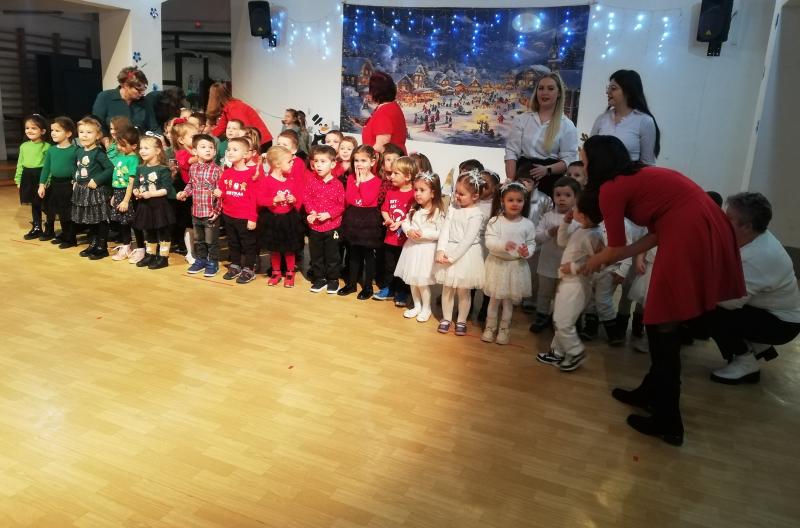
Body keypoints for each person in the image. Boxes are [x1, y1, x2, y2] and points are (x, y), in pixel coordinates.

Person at [581, 135, 745, 446]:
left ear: (596, 162)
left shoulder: (611, 188)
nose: (583, 164)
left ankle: (668, 420)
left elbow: (615, 247)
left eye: (584, 159)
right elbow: (652, 235)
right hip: (694, 226)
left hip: (688, 231)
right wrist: (608, 258)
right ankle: (651, 392)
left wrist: (595, 261)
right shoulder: (637, 176)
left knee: (663, 322)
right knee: (661, 321)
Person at [707, 192, 800, 384]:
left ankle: (745, 362)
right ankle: (757, 346)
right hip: (768, 310)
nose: (722, 220)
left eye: (729, 218)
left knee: (708, 310)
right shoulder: (754, 235)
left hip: (782, 325)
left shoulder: (760, 257)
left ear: (747, 226)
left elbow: (729, 302)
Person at [537, 191, 605, 371]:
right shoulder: (582, 229)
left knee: (563, 321)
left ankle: (575, 352)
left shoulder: (594, 235)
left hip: (577, 284)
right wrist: (565, 223)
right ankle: (557, 352)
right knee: (560, 317)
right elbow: (562, 242)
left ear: (583, 214)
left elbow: (599, 264)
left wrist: (574, 268)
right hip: (568, 281)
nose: (572, 209)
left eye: (575, 207)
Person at [504, 72, 578, 197]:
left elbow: (569, 160)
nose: (544, 93)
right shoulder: (522, 119)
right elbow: (511, 152)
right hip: (523, 178)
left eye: (550, 88)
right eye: (541, 88)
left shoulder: (567, 125)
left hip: (550, 182)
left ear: (559, 93)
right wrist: (510, 182)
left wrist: (547, 170)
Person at [481, 182, 536, 345]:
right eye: (510, 200)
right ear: (502, 201)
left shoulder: (527, 224)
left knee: (508, 302)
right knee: (494, 300)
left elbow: (531, 243)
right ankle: (490, 327)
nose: (515, 204)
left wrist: (527, 252)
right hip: (497, 265)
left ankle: (504, 329)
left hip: (515, 267)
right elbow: (490, 242)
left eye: (519, 200)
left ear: (524, 202)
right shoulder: (495, 221)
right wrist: (503, 245)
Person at [435, 172, 487, 336]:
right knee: (447, 289)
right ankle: (446, 318)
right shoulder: (452, 209)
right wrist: (441, 250)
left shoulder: (476, 214)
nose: (457, 196)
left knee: (463, 291)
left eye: (461, 194)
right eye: (456, 192)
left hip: (466, 255)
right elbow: (445, 231)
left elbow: (467, 240)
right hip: (449, 250)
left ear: (475, 196)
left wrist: (452, 257)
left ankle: (462, 320)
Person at [394, 171, 446, 322]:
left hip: (426, 251)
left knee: (422, 283)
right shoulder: (414, 208)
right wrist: (408, 230)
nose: (417, 193)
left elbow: (441, 233)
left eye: (422, 190)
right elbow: (405, 222)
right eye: (416, 189)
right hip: (412, 249)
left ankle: (426, 308)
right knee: (412, 282)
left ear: (433, 193)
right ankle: (416, 306)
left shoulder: (437, 212)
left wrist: (424, 233)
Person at [530, 177, 580, 333]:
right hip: (547, 263)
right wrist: (549, 232)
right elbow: (537, 237)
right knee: (544, 292)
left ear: (576, 198)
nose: (562, 199)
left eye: (567, 195)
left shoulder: (578, 220)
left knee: (562, 294)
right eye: (558, 195)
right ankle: (541, 315)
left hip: (566, 265)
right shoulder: (548, 216)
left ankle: (558, 319)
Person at [256, 146, 305, 288]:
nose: (292, 163)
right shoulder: (266, 181)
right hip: (273, 219)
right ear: (278, 164)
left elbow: (298, 198)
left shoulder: (291, 180)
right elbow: (260, 200)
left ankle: (290, 272)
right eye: (289, 161)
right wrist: (274, 199)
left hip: (289, 219)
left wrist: (293, 200)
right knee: (275, 249)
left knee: (290, 248)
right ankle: (276, 272)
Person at [339, 145, 383, 300]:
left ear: (372, 162)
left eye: (363, 160)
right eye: (356, 160)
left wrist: (362, 183)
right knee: (353, 254)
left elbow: (367, 200)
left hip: (369, 220)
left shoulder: (376, 181)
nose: (359, 164)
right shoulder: (351, 178)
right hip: (353, 217)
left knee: (368, 255)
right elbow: (350, 199)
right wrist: (356, 182)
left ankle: (368, 287)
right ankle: (351, 284)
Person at [590, 69, 660, 165]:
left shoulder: (644, 121)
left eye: (613, 88)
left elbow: (647, 163)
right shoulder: (602, 118)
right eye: (608, 88)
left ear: (629, 92)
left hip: (629, 174)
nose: (608, 92)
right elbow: (589, 151)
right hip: (600, 174)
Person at [214, 137, 259, 284]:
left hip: (245, 217)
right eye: (228, 149)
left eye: (235, 149)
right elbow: (223, 191)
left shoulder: (251, 174)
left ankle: (249, 269)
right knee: (233, 242)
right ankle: (235, 265)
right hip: (229, 215)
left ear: (245, 154)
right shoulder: (227, 173)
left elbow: (254, 199)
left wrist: (252, 218)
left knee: (248, 244)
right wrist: (219, 193)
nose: (230, 152)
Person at [177, 134, 223, 278]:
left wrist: (217, 210)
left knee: (211, 241)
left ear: (215, 152)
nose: (208, 150)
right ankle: (201, 260)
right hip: (196, 212)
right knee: (199, 240)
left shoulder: (217, 170)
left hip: (210, 213)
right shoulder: (193, 168)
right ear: (195, 151)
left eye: (211, 147)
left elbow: (221, 193)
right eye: (203, 147)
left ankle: (213, 262)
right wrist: (185, 193)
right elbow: (191, 185)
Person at [374, 156, 417, 305]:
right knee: (389, 266)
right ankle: (388, 289)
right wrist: (388, 219)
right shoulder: (391, 192)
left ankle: (402, 292)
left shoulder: (414, 195)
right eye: (391, 173)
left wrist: (400, 223)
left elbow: (414, 215)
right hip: (390, 239)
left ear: (408, 176)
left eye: (395, 173)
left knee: (403, 267)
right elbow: (384, 209)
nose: (391, 176)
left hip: (406, 242)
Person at [304, 145, 346, 294]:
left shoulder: (338, 185)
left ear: (333, 164)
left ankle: (333, 279)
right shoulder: (311, 181)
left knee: (332, 255)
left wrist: (329, 214)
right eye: (316, 161)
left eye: (323, 161)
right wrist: (311, 212)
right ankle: (319, 278)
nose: (318, 165)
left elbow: (341, 206)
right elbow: (306, 198)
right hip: (315, 228)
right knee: (316, 255)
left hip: (332, 227)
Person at [72, 117, 114, 260]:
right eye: (81, 132)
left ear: (98, 135)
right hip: (83, 191)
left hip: (97, 191)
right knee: (91, 219)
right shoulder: (79, 151)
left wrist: (97, 180)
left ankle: (102, 247)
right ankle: (94, 243)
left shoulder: (98, 153)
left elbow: (110, 168)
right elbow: (75, 166)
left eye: (89, 132)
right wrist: (75, 179)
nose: (84, 135)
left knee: (100, 219)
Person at [131, 136, 175, 270]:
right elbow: (136, 184)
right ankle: (150, 254)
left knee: (162, 231)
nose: (142, 151)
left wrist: (151, 194)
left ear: (157, 151)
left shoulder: (163, 169)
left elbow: (166, 189)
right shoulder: (140, 168)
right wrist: (136, 191)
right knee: (148, 230)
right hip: (145, 206)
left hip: (159, 206)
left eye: (146, 148)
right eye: (141, 148)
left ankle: (163, 257)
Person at [38, 116, 78, 247]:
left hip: (68, 185)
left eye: (57, 130)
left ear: (68, 133)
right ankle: (65, 235)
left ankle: (70, 239)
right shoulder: (52, 150)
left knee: (68, 213)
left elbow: (77, 169)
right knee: (59, 211)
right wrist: (42, 185)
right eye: (52, 130)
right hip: (55, 185)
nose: (53, 133)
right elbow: (46, 168)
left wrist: (76, 181)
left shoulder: (75, 151)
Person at [207, 82, 273, 151]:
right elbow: (220, 128)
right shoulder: (228, 108)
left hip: (260, 142)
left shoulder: (234, 108)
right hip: (255, 141)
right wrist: (207, 136)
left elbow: (245, 129)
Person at [91, 66, 158, 134]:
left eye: (144, 89)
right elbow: (96, 126)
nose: (143, 93)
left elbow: (154, 128)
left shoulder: (145, 101)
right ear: (126, 86)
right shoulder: (105, 97)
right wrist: (105, 138)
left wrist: (158, 136)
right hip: (112, 140)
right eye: (139, 90)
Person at [16, 114, 50, 240]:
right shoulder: (24, 146)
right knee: (34, 203)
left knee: (45, 204)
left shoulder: (47, 146)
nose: (29, 131)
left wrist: (46, 181)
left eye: (33, 128)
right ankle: (37, 227)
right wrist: (18, 179)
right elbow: (20, 164)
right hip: (27, 176)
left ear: (43, 131)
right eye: (27, 128)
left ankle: (49, 227)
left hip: (40, 176)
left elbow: (48, 166)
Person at [108, 126, 140, 261]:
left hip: (128, 194)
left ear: (134, 146)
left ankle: (139, 248)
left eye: (123, 145)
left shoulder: (134, 159)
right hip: (118, 192)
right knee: (123, 222)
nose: (119, 147)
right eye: (118, 144)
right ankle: (126, 246)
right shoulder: (121, 156)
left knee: (131, 222)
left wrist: (126, 200)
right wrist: (115, 195)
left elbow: (131, 182)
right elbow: (118, 177)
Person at [361, 71, 408, 154]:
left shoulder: (383, 112)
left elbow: (381, 146)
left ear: (375, 91)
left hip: (384, 160)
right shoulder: (392, 106)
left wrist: (362, 156)